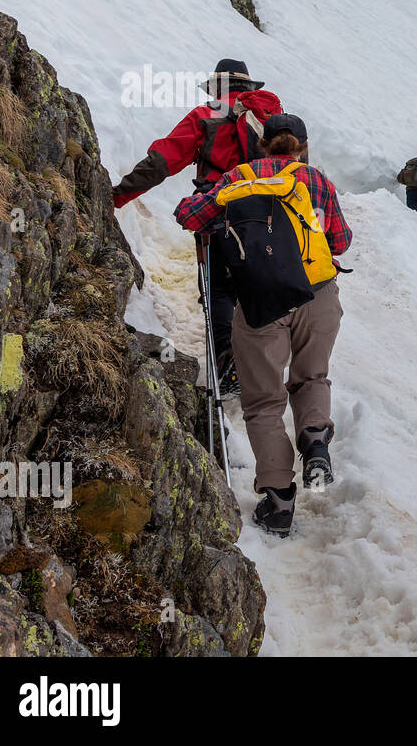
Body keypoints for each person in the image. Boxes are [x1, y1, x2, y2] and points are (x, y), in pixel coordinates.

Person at [173, 114, 352, 537]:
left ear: (262, 144)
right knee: (312, 376)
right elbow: (341, 241)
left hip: (259, 301)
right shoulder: (317, 181)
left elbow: (188, 216)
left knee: (264, 401)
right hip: (317, 295)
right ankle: (314, 440)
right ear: (301, 147)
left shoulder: (241, 177)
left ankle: (278, 501)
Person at [112, 58, 283, 393]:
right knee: (258, 286)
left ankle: (226, 361)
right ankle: (264, 363)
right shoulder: (273, 119)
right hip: (271, 216)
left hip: (220, 213)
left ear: (217, 88)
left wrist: (119, 195)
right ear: (248, 87)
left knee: (219, 287)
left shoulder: (206, 118)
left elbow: (164, 160)